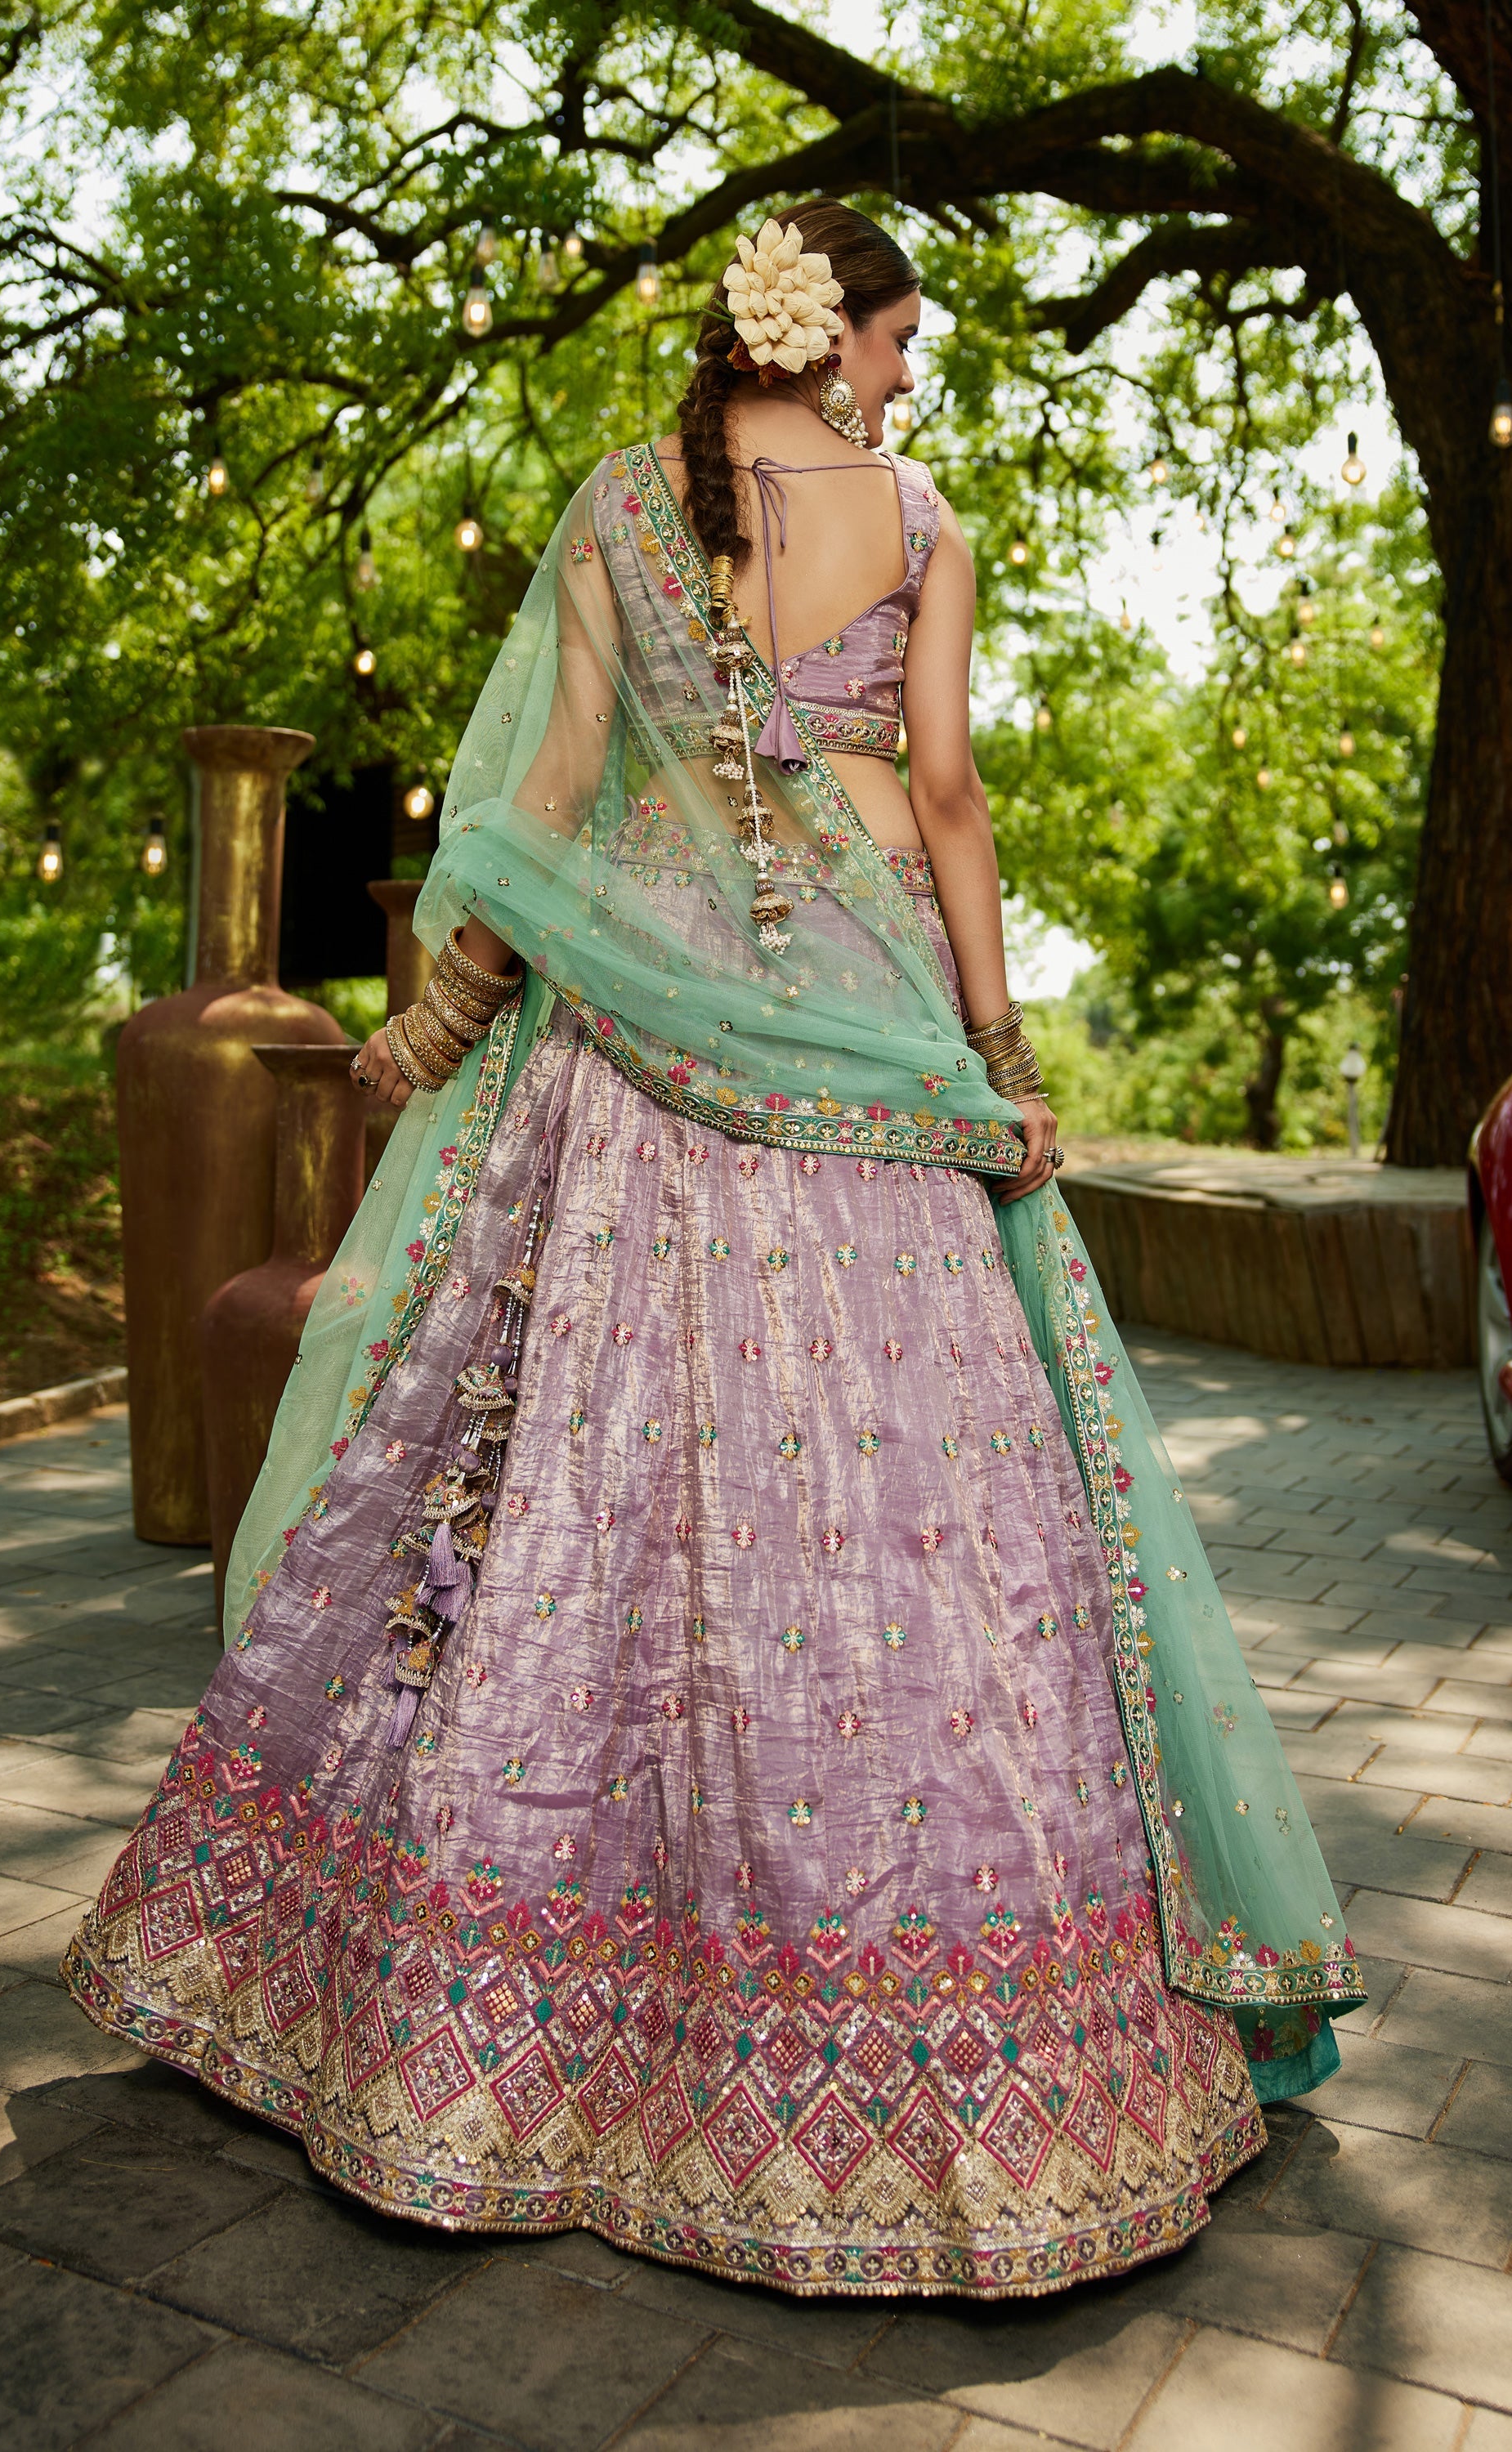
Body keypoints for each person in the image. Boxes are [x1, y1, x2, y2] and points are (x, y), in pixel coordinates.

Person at [66, 202, 1362, 2299]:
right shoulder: (914, 521)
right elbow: (945, 795)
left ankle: (467, 2022)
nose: (909, 377)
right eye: (903, 339)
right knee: (904, 1509)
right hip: (865, 1032)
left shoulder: (618, 504)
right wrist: (1000, 1059)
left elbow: (552, 801)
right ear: (831, 338)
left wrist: (439, 1019)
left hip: (625, 1035)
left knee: (565, 1481)